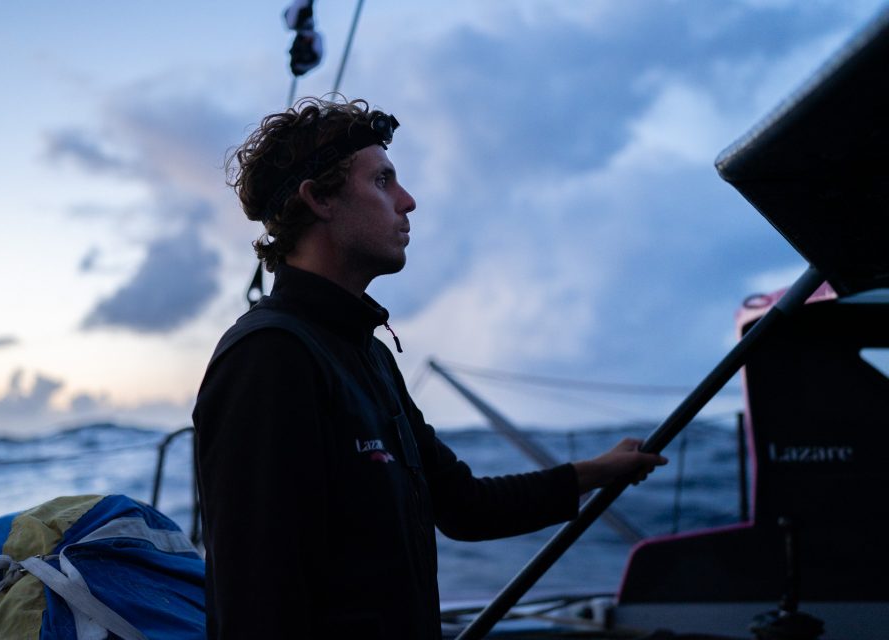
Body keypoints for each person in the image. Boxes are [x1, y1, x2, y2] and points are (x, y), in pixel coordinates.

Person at [192, 97, 667, 639]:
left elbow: (464, 505)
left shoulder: (366, 354)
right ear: (319, 198)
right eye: (383, 182)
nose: (408, 201)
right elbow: (256, 603)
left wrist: (597, 472)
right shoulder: (269, 357)